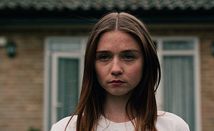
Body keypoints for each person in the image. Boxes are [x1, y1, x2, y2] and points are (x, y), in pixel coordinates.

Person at [50, 12, 190, 131]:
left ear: (146, 62)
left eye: (128, 56)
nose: (116, 69)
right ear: (91, 64)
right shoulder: (65, 128)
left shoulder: (173, 127)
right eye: (104, 57)